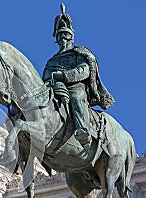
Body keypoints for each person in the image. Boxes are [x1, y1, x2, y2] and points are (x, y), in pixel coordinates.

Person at [42, 4, 115, 149]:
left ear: (71, 38)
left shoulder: (79, 53)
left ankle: (83, 130)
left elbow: (84, 70)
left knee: (76, 97)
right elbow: (45, 76)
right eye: (60, 35)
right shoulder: (51, 60)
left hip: (75, 86)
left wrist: (63, 75)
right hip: (54, 87)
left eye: (66, 35)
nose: (63, 38)